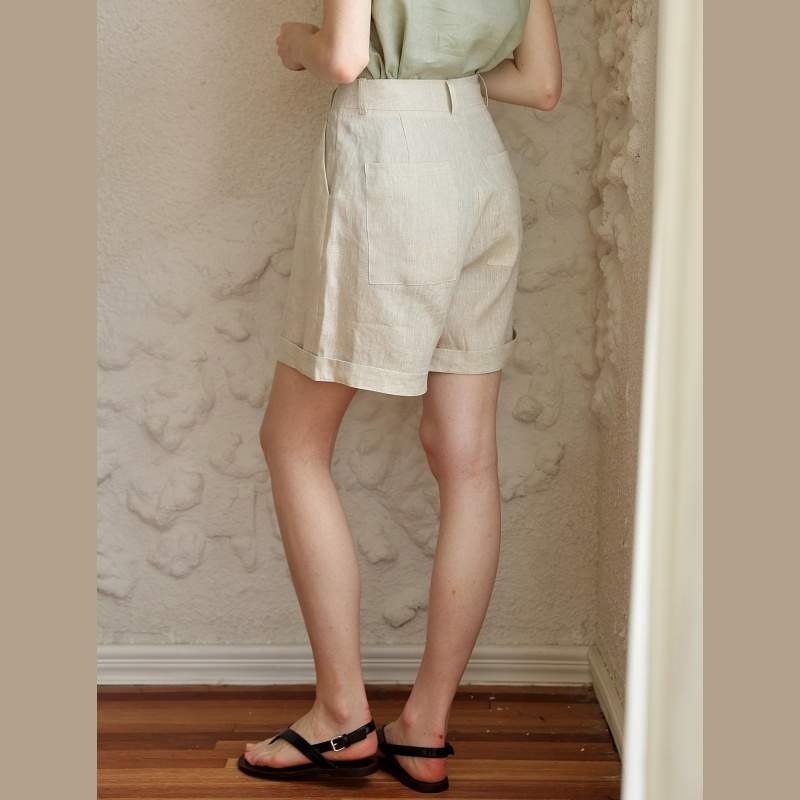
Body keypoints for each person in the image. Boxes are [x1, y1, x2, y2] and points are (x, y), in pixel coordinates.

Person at [238, 0, 561, 792]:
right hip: (478, 161)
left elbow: (344, 58)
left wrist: (296, 43)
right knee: (467, 459)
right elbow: (542, 84)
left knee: (293, 440)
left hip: (388, 159)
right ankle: (424, 726)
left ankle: (341, 717)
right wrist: (450, 71)